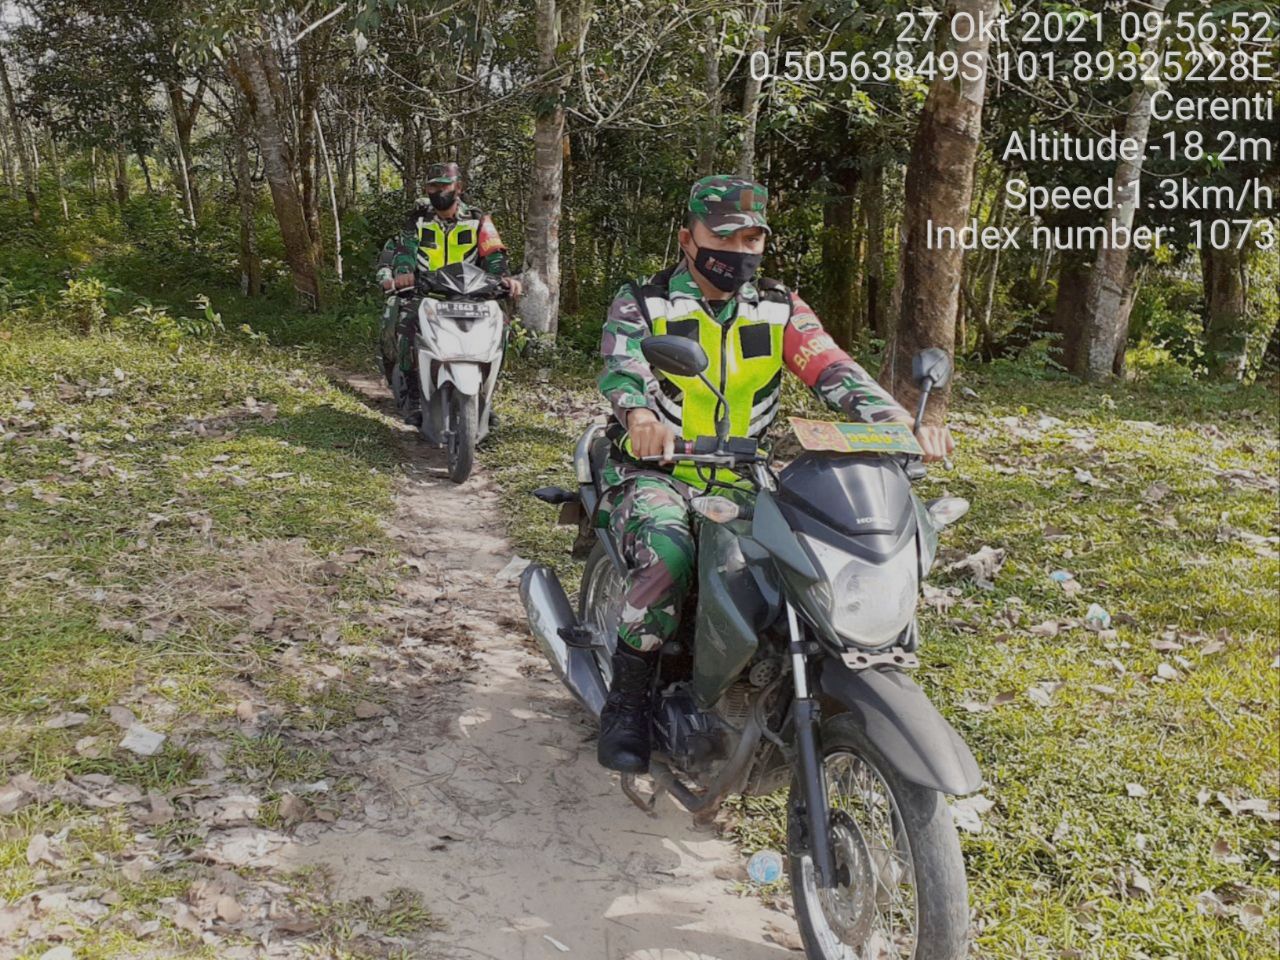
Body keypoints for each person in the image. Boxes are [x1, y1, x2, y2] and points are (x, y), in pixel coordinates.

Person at [595, 175, 954, 773]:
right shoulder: (646, 301)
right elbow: (623, 365)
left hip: (746, 475)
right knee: (668, 554)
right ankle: (626, 704)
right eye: (723, 237)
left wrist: (896, 420)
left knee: (805, 560)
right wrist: (639, 415)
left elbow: (831, 366)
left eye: (752, 239)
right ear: (687, 239)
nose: (738, 251)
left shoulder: (779, 307)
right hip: (658, 470)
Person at [375, 163, 521, 421]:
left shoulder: (479, 220)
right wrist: (403, 273)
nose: (439, 190)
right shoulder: (417, 220)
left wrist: (504, 279)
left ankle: (485, 397)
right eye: (433, 186)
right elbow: (406, 252)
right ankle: (413, 395)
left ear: (458, 188)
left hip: (471, 295)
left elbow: (494, 254)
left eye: (444, 185)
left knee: (501, 327)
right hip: (428, 294)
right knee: (406, 323)